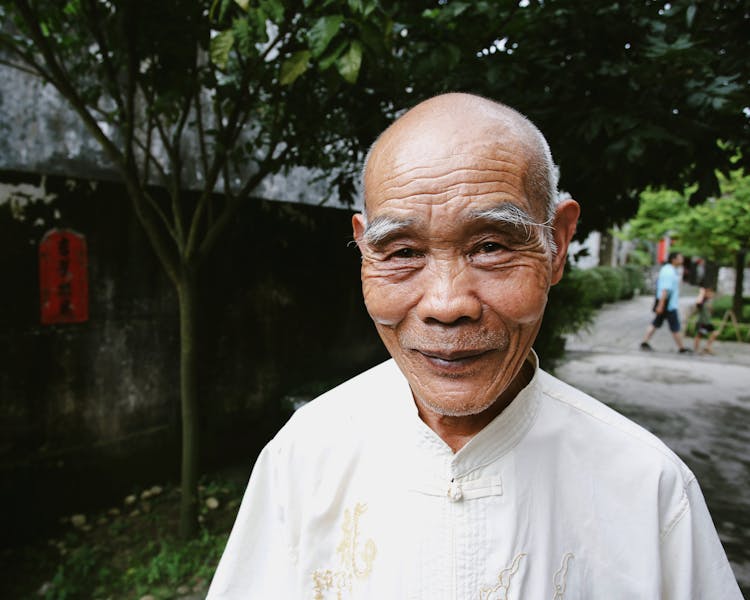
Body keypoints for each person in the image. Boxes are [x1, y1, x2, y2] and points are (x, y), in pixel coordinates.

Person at [207, 94, 741, 598]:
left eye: (490, 246)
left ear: (557, 245)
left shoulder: (648, 489)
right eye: (401, 250)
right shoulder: (304, 455)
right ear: (364, 248)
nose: (445, 303)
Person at [640, 251, 692, 353]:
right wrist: (661, 304)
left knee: (656, 323)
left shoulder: (669, 270)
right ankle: (681, 348)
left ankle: (645, 342)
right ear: (674, 259)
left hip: (667, 302)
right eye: (680, 257)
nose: (682, 259)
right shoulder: (669, 271)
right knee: (675, 326)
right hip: (668, 304)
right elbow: (665, 289)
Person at [693, 283, 720, 354]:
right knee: (699, 335)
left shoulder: (709, 302)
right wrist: (701, 293)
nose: (712, 294)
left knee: (715, 333)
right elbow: (698, 303)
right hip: (702, 322)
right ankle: (696, 349)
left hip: (708, 322)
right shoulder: (702, 302)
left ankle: (707, 347)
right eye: (710, 293)